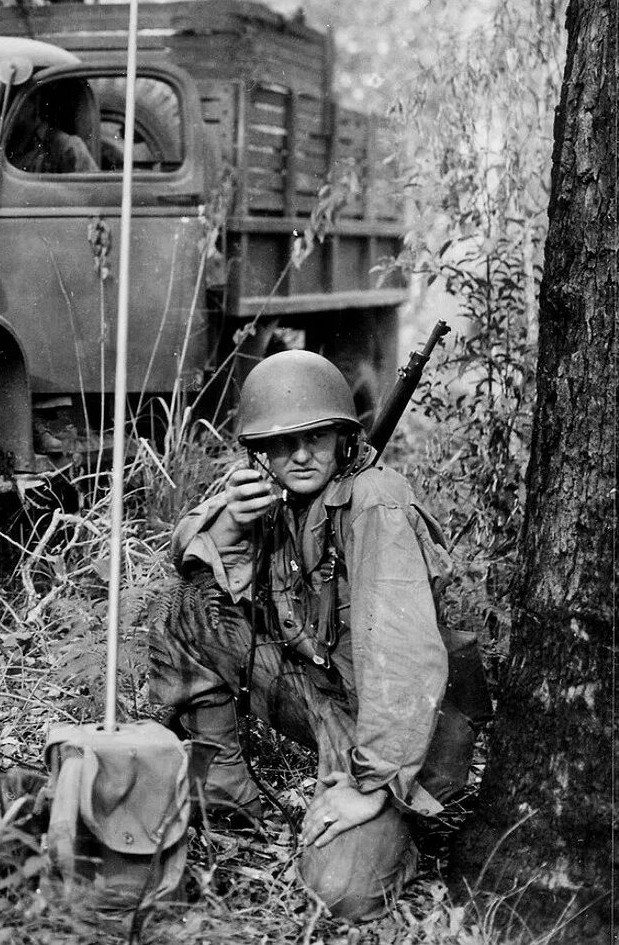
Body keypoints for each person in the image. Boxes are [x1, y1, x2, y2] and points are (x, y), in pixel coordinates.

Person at [146, 350, 481, 921]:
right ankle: (225, 792)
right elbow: (186, 559)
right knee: (184, 608)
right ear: (260, 451)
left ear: (344, 436)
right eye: (281, 443)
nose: (300, 455)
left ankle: (397, 821)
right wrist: (228, 521)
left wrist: (370, 784)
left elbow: (402, 658)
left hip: (403, 731)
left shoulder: (375, 501)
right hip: (323, 698)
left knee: (342, 890)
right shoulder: (267, 491)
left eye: (317, 437)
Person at [7, 83, 98, 174]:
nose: (8, 110)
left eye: (13, 101)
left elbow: (92, 186)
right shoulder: (5, 143)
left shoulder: (68, 147)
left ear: (35, 102)